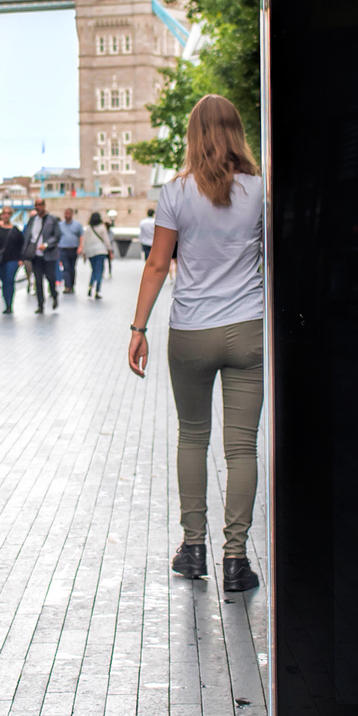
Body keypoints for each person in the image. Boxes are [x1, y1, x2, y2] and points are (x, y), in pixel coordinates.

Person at [127, 95, 265, 596]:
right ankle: (236, 559)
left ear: (193, 135)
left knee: (192, 437)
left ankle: (192, 549)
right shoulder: (260, 190)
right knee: (241, 446)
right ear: (236, 133)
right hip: (248, 327)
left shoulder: (176, 192)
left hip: (191, 331)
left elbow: (157, 264)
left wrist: (138, 328)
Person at [23, 199, 62, 313]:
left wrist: (47, 244)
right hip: (35, 255)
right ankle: (40, 304)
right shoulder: (32, 220)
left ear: (44, 206)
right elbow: (27, 236)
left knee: (50, 278)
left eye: (40, 205)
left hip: (49, 254)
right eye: (36, 205)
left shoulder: (52, 219)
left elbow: (57, 236)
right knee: (38, 280)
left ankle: (54, 295)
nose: (38, 207)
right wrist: (25, 251)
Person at [0, 215, 24, 313]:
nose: (6, 216)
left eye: (8, 213)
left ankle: (9, 305)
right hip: (0, 259)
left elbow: (21, 244)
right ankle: (7, 301)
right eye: (4, 213)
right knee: (4, 281)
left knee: (9, 280)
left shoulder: (15, 230)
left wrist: (21, 258)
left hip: (13, 259)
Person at [81, 211, 114, 298]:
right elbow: (106, 241)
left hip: (90, 252)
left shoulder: (88, 229)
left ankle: (90, 286)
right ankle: (97, 291)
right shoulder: (102, 228)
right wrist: (110, 251)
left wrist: (84, 253)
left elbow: (84, 242)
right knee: (99, 271)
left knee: (94, 270)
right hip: (100, 251)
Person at [56, 207, 85, 292]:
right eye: (65, 213)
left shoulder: (77, 225)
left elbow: (81, 236)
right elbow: (57, 236)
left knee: (72, 268)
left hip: (73, 249)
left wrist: (80, 247)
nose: (66, 215)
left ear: (72, 214)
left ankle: (72, 285)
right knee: (66, 268)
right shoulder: (60, 225)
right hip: (63, 249)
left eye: (68, 213)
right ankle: (67, 286)